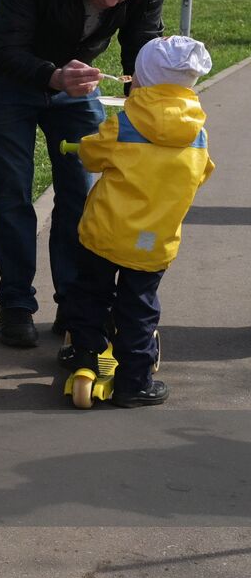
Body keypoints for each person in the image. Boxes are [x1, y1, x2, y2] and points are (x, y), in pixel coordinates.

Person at [0, 0, 164, 348]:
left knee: (82, 193)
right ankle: (16, 304)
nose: (112, 0)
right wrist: (53, 76)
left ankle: (76, 302)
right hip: (10, 81)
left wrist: (148, 104)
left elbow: (141, 45)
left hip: (77, 83)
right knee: (11, 195)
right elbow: (4, 48)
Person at [59, 35, 213, 407]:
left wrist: (81, 147)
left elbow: (93, 155)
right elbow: (203, 173)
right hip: (152, 241)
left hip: (105, 234)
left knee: (90, 294)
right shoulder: (197, 134)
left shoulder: (124, 125)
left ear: (141, 80)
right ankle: (134, 382)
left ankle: (85, 354)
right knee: (139, 307)